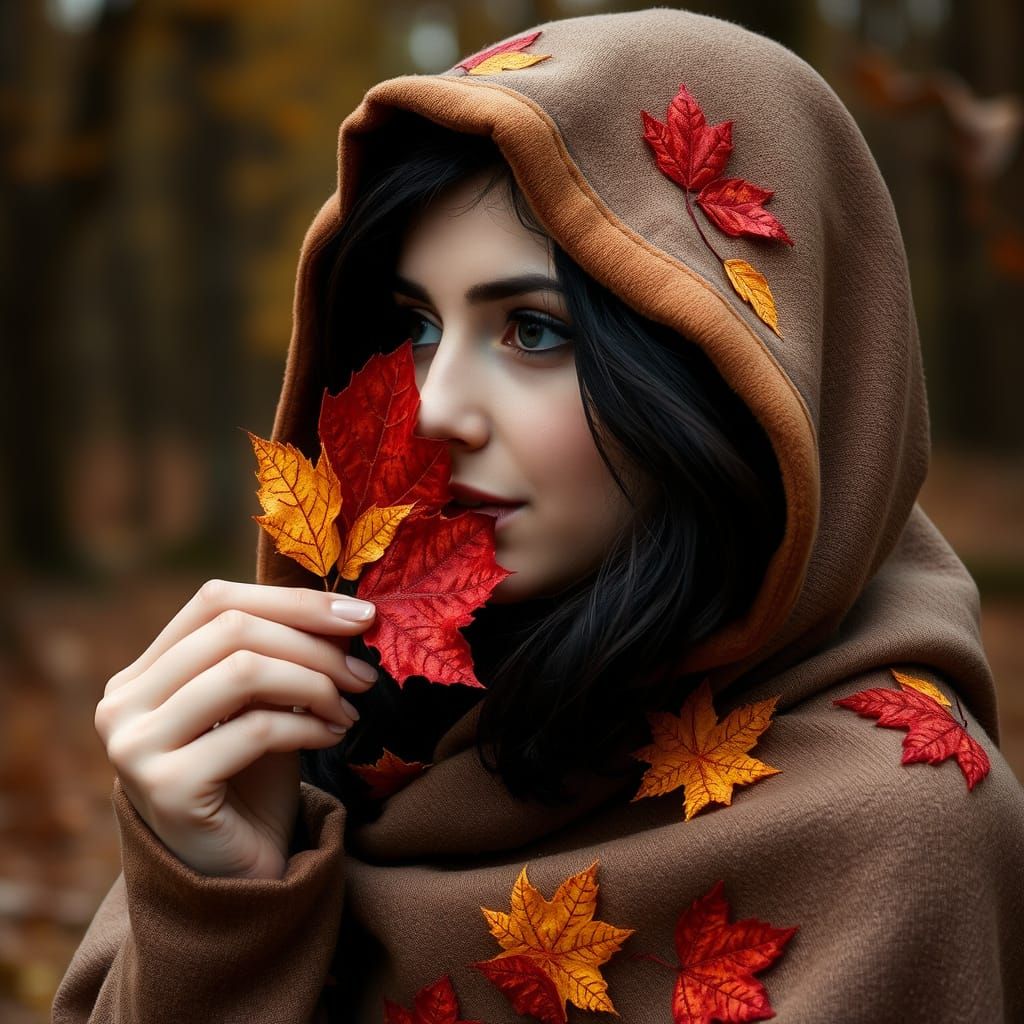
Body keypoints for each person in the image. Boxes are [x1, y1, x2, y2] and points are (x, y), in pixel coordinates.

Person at [53, 8, 1024, 1023]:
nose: (432, 410)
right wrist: (215, 899)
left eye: (532, 331)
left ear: (733, 381)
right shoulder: (308, 754)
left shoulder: (891, 833)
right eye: (418, 326)